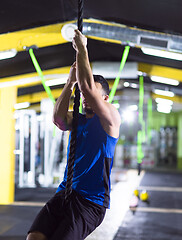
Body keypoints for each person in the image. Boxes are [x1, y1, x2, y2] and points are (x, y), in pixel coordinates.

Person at [26, 30, 121, 240]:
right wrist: (69, 84)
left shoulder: (111, 118)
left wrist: (82, 48)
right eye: (84, 95)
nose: (86, 98)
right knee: (34, 236)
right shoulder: (79, 120)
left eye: (92, 95)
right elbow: (58, 120)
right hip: (65, 192)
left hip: (91, 202)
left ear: (105, 98)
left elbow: (86, 87)